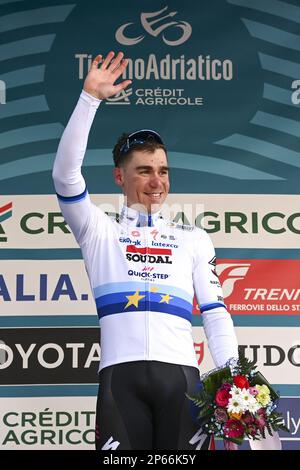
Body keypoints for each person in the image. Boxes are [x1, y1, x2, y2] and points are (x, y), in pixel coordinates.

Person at [52, 51, 239, 450]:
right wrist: (89, 99)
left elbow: (215, 311)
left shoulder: (193, 237)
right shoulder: (97, 228)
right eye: (144, 170)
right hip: (122, 382)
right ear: (120, 176)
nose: (157, 182)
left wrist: (234, 374)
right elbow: (65, 175)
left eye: (163, 170)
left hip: (184, 385)